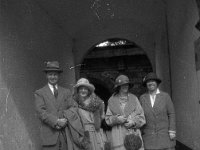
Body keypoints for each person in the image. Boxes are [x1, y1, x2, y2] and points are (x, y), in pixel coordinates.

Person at [34, 61, 74, 150]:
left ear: (59, 75)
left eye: (55, 74)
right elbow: (41, 112)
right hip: (49, 135)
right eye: (50, 74)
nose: (53, 77)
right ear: (46, 76)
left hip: (65, 134)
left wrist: (65, 120)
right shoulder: (40, 93)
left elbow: (72, 108)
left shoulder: (66, 92)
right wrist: (56, 121)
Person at [105, 74, 146, 150]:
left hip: (133, 133)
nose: (125, 86)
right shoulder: (112, 100)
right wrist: (116, 119)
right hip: (118, 134)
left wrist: (133, 122)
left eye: (127, 84)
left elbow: (142, 117)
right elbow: (107, 119)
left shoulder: (134, 98)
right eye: (122, 85)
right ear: (118, 87)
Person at [140, 72, 176, 150]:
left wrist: (172, 130)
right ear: (146, 84)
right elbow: (140, 115)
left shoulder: (165, 96)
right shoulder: (142, 98)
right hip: (149, 138)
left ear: (157, 83)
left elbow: (171, 114)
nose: (150, 83)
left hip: (165, 137)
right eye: (148, 81)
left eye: (153, 81)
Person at [73, 78, 105, 150]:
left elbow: (102, 117)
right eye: (81, 88)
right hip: (81, 133)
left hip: (95, 132)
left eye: (85, 89)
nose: (83, 90)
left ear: (89, 90)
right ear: (78, 90)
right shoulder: (74, 103)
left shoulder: (97, 103)